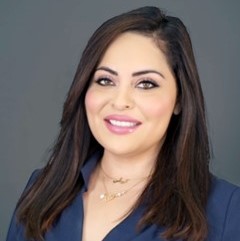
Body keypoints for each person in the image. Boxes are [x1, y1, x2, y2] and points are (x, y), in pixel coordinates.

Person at [6, 6, 240, 241]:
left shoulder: (227, 210)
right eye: (105, 80)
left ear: (179, 99)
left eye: (146, 84)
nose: (120, 102)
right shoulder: (42, 189)